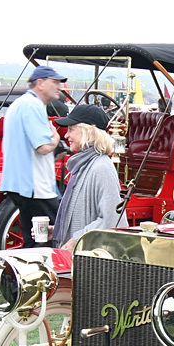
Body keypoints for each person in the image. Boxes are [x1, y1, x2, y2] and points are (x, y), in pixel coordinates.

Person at [0, 65, 67, 248]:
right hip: (35, 187)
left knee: (32, 239)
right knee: (52, 236)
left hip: (18, 184)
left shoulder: (18, 104)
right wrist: (56, 139)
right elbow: (44, 147)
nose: (59, 87)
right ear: (40, 83)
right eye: (55, 82)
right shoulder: (33, 105)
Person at [50, 104, 128, 250]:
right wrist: (57, 230)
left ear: (89, 133)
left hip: (90, 264)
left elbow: (112, 220)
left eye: (71, 129)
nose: (66, 135)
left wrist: (77, 240)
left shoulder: (101, 167)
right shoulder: (84, 165)